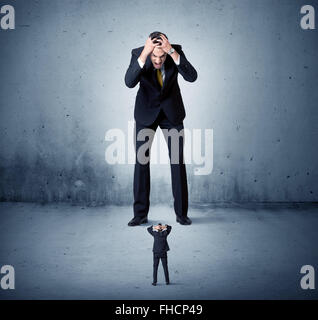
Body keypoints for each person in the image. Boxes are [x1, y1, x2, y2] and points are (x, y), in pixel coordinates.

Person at [124, 31, 197, 226]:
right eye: (154, 56)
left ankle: (181, 213)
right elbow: (129, 82)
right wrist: (144, 54)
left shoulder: (175, 52)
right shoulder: (139, 53)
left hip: (171, 115)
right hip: (146, 114)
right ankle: (140, 214)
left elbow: (192, 77)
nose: (157, 60)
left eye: (161, 56)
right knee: (141, 162)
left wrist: (171, 52)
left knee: (177, 162)